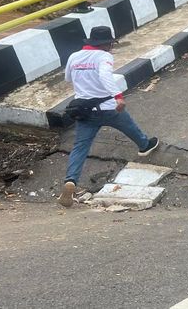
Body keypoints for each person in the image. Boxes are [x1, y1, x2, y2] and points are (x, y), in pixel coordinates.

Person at [59, 26, 159, 208]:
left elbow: (68, 78)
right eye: (110, 44)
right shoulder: (104, 57)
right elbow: (105, 76)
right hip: (107, 107)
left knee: (80, 147)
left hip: (84, 110)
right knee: (129, 126)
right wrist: (118, 97)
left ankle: (71, 180)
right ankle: (145, 145)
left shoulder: (74, 56)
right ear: (106, 44)